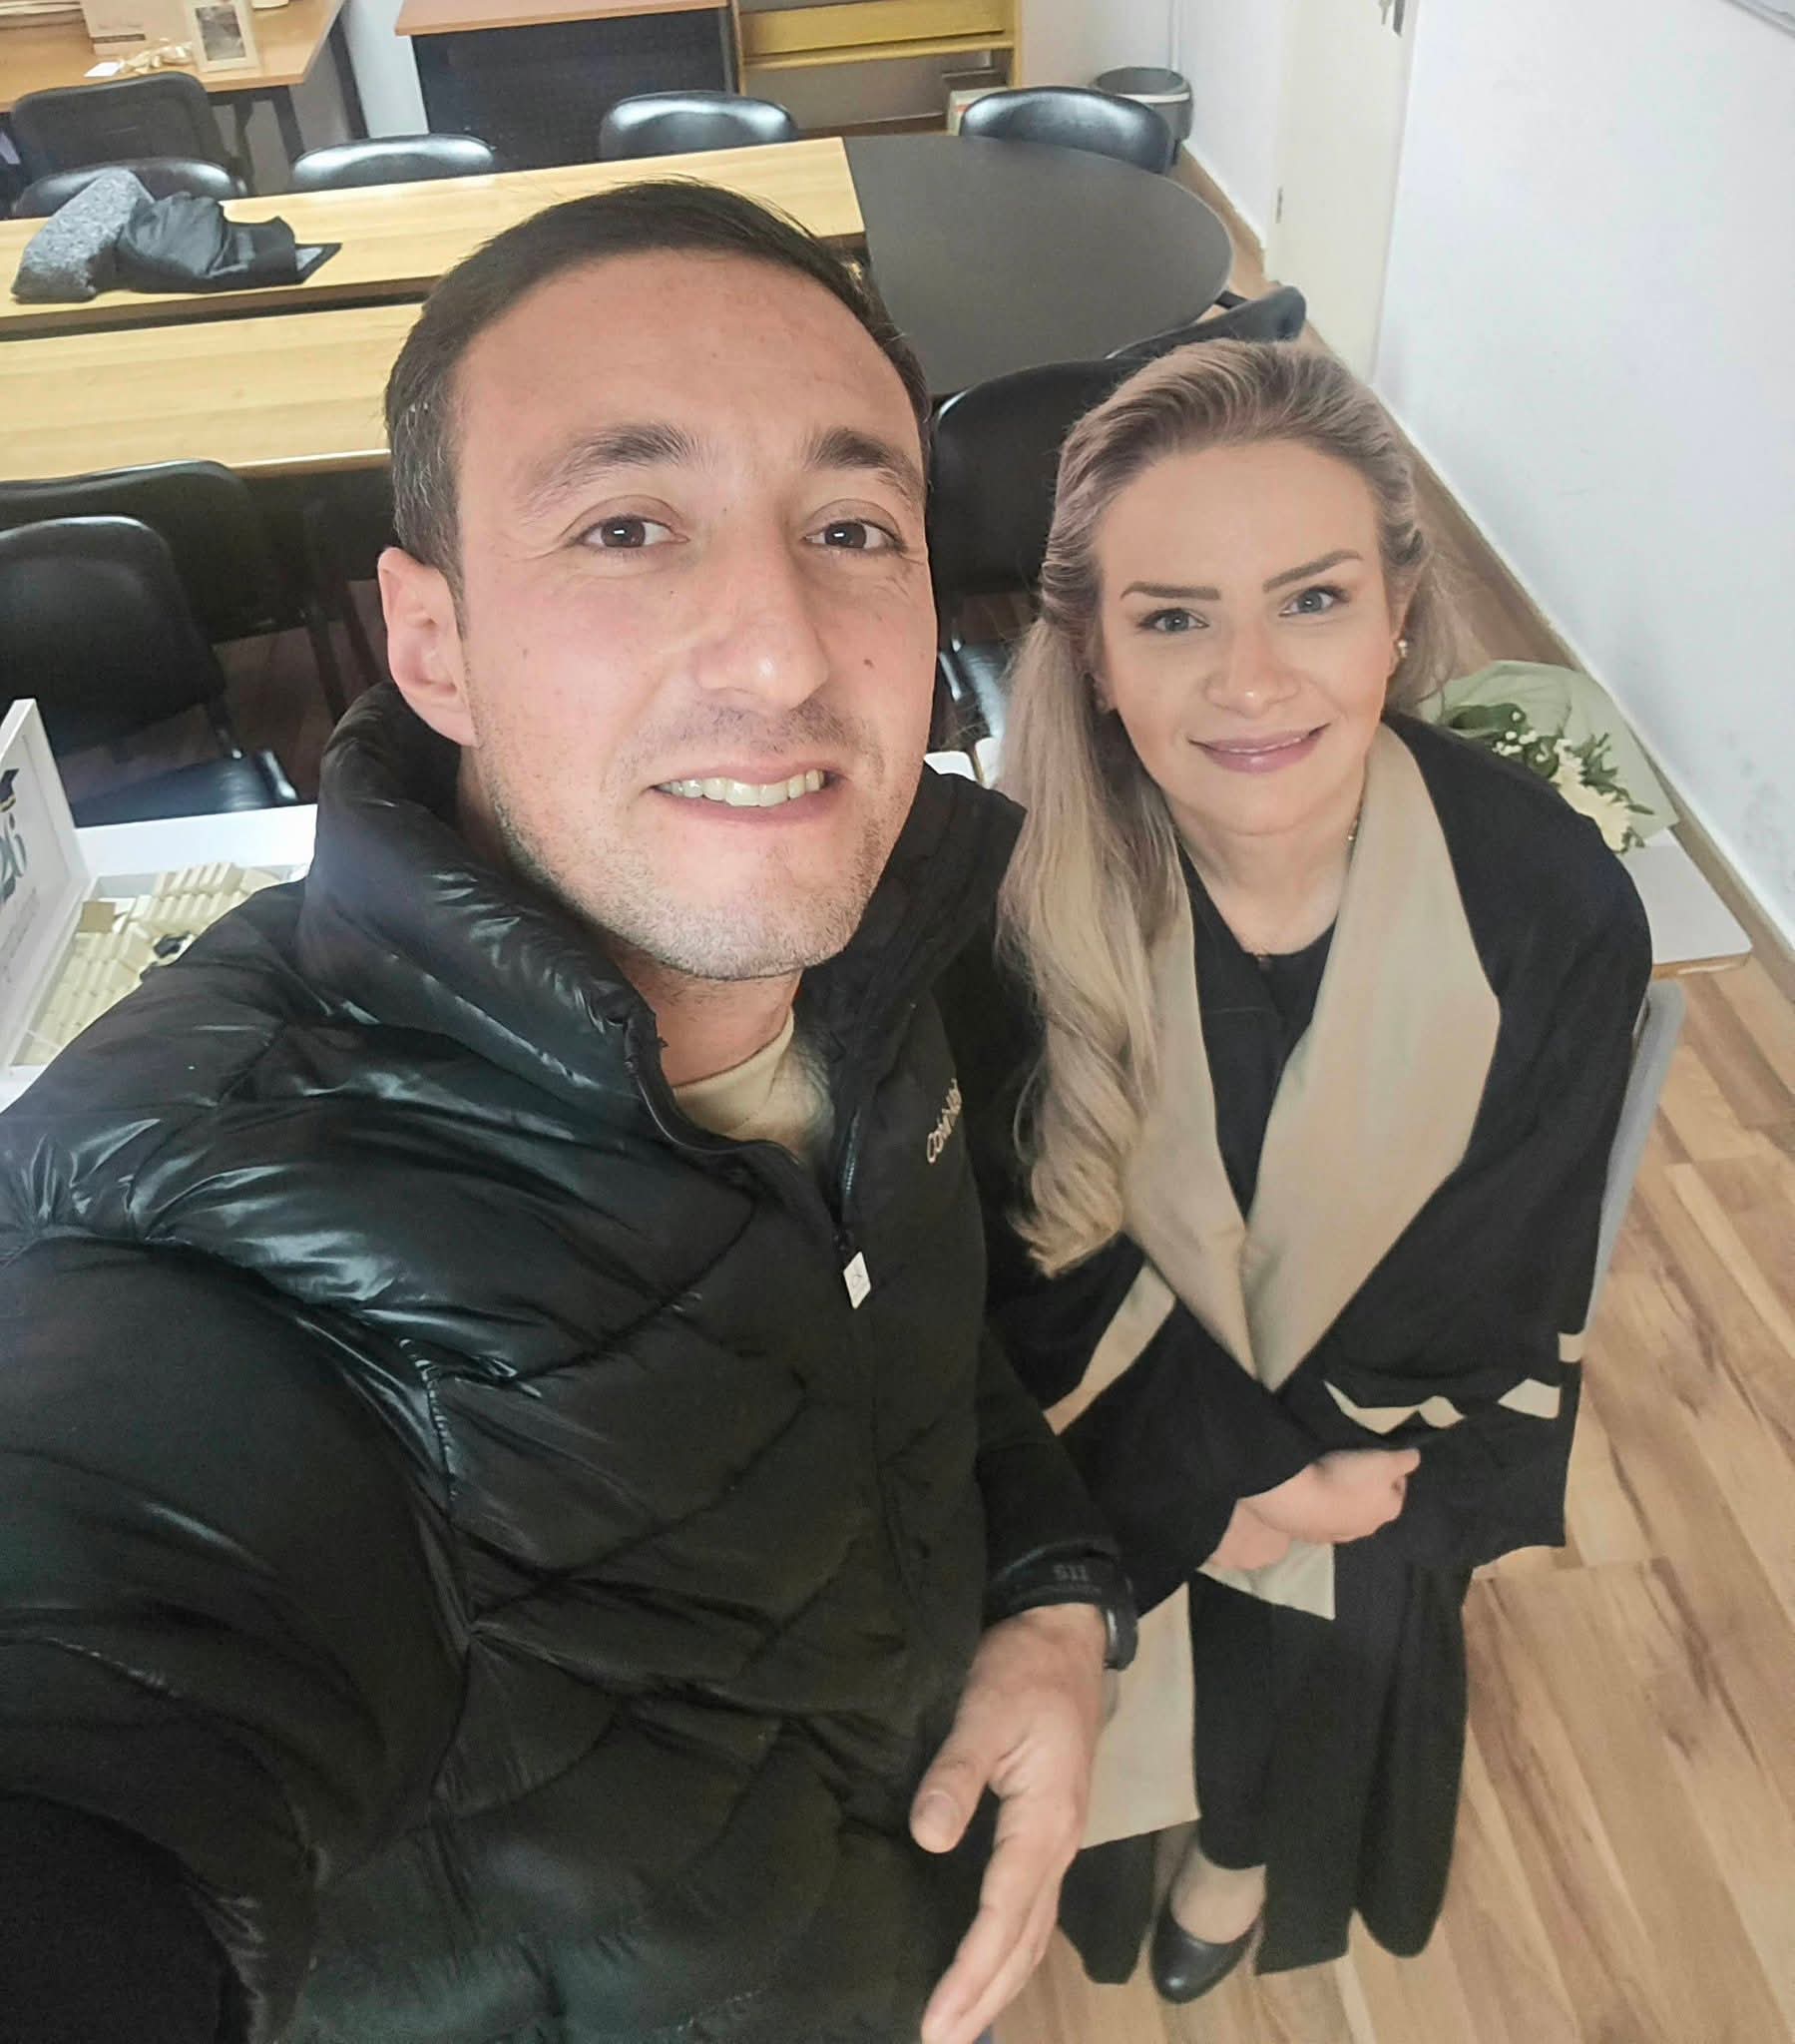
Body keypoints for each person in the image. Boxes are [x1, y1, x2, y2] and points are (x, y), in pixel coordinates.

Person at [0, 185, 1136, 2044]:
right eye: (625, 528)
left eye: (853, 528)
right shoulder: (187, 1231)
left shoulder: (883, 937)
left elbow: (892, 1332)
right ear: (430, 643)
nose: (782, 655)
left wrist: (1055, 1589)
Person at [941, 339, 1651, 1998]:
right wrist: (1232, 1476)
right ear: (1092, 655)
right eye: (1175, 618)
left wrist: (1303, 1482)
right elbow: (1005, 1247)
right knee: (1167, 1664)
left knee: (1316, 1679)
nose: (1251, 683)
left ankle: (1246, 1850)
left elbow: (1503, 1253)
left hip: (1377, 1455)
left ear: (1398, 613)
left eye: (1313, 601)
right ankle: (1171, 1842)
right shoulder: (997, 918)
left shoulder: (1547, 905)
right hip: (1122, 1446)